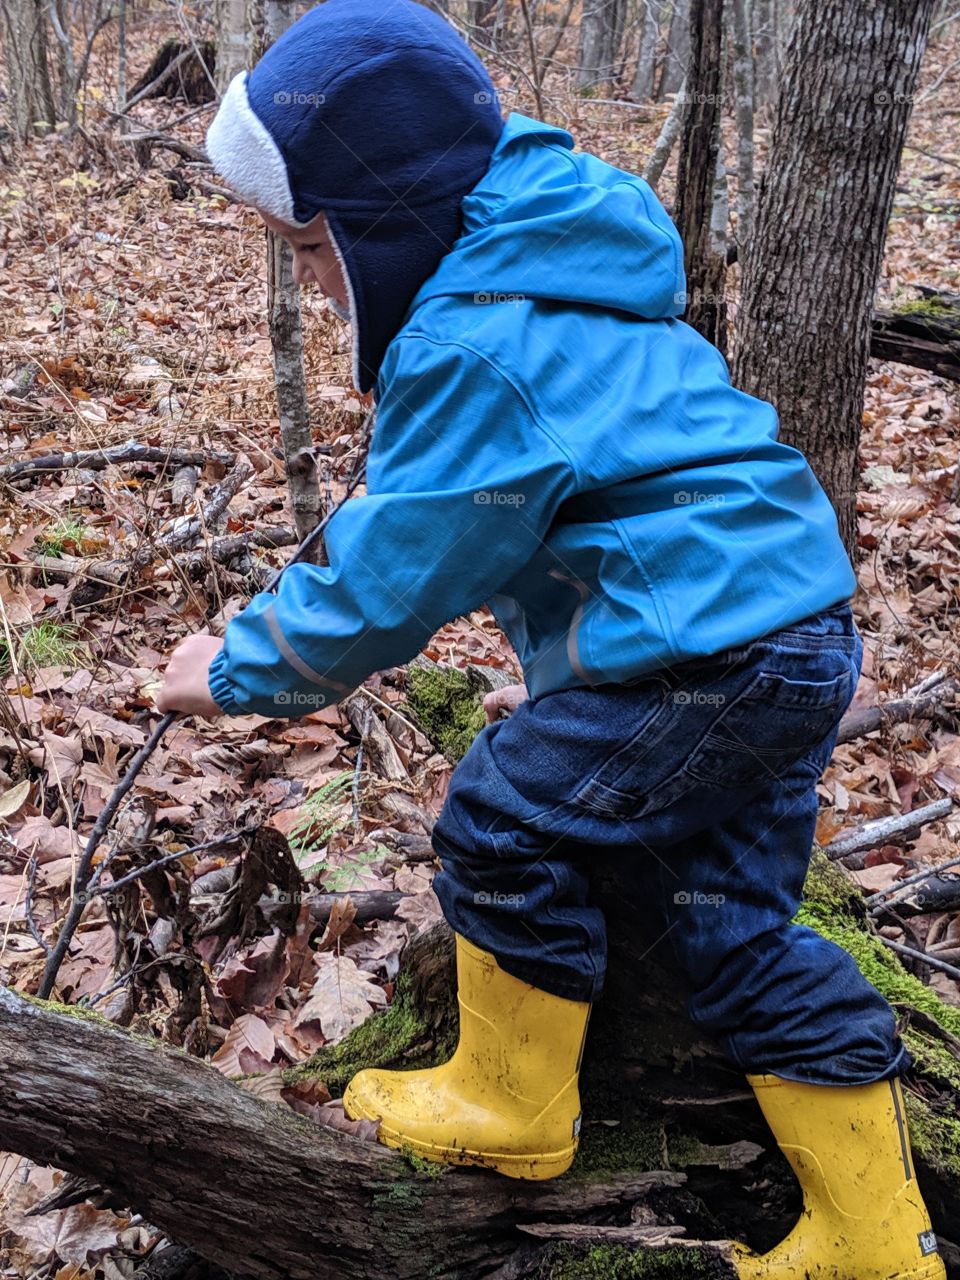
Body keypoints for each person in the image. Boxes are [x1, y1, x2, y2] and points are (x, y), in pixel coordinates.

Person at [157, 0, 944, 1274]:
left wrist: (241, 666)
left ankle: (515, 1103)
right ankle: (872, 1235)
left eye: (309, 244)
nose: (303, 277)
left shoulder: (478, 339)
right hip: (785, 629)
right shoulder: (551, 252)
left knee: (504, 814)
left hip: (712, 655)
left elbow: (398, 567)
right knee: (731, 935)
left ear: (384, 224)